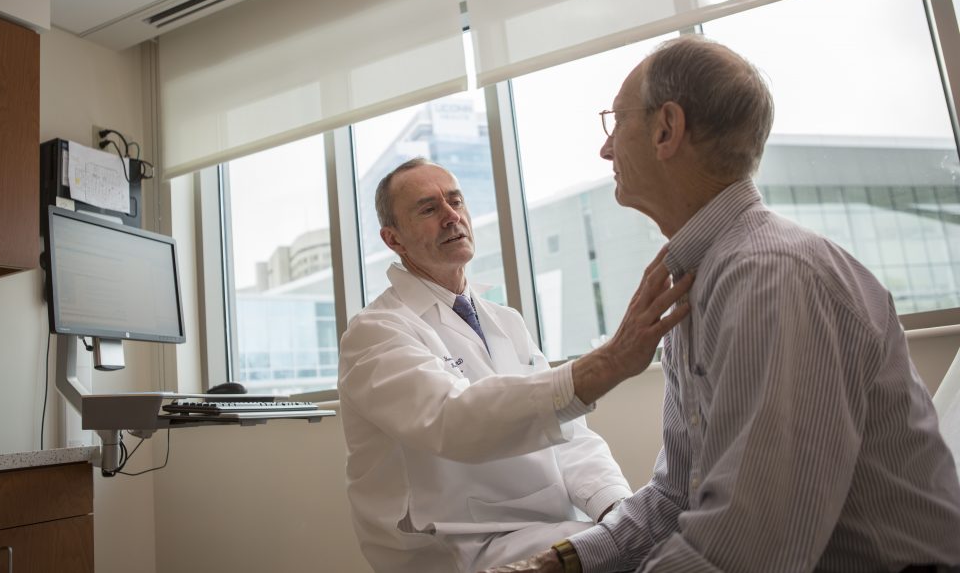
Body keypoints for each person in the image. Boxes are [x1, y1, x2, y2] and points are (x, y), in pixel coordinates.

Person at [482, 36, 960, 573]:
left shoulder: (768, 277)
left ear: (666, 128)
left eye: (616, 123)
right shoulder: (701, 279)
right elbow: (674, 495)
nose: (606, 148)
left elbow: (744, 549)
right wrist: (560, 563)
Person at [338, 157, 693, 573]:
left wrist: (615, 510)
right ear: (393, 238)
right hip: (457, 544)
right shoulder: (376, 331)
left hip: (544, 528)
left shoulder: (505, 321)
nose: (452, 216)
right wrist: (607, 363)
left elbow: (571, 436)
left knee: (659, 542)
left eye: (455, 201)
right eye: (429, 209)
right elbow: (453, 421)